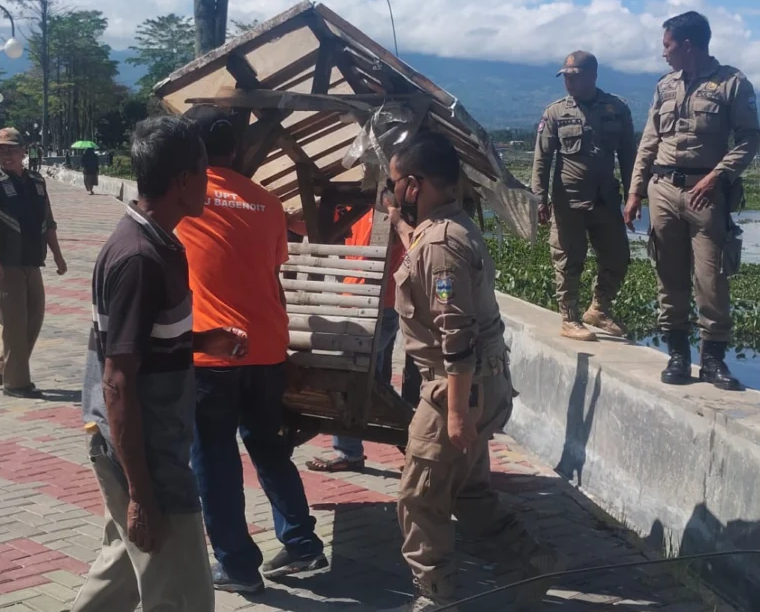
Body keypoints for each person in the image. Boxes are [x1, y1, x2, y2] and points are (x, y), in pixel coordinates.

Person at [74, 116, 248, 612]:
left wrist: (201, 340)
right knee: (185, 597)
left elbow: (142, 344)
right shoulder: (139, 258)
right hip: (146, 457)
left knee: (123, 573)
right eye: (204, 171)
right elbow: (117, 380)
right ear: (184, 182)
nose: (210, 182)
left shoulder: (158, 244)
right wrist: (142, 495)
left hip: (140, 447)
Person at [386, 131, 555, 611]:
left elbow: (454, 335)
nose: (392, 189)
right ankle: (532, 561)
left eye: (396, 181)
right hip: (484, 384)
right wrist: (402, 227)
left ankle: (435, 596)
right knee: (469, 490)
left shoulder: (439, 245)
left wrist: (456, 414)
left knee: (420, 498)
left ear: (415, 185)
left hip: (454, 391)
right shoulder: (450, 227)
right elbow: (428, 257)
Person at [176, 105, 328, 593]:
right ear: (237, 149)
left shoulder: (187, 199)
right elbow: (271, 271)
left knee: (215, 460)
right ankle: (302, 544)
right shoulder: (269, 203)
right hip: (267, 349)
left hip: (213, 355)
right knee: (268, 447)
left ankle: (238, 566)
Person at [623, 11, 760, 390]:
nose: (663, 52)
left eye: (667, 44)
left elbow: (750, 137)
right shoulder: (665, 86)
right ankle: (678, 355)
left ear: (687, 45)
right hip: (663, 189)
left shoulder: (731, 83)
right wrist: (635, 191)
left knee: (711, 278)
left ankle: (713, 360)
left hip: (707, 192)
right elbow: (649, 142)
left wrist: (719, 174)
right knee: (669, 275)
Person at [307, 209, 421, 473]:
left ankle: (418, 443)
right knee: (371, 382)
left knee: (355, 374)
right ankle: (357, 451)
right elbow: (318, 225)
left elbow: (416, 245)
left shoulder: (394, 210)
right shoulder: (352, 207)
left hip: (383, 308)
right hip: (354, 303)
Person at [533, 51, 635, 341]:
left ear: (593, 76)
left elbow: (629, 156)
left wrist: (634, 195)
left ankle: (599, 309)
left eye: (574, 76)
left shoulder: (616, 109)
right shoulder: (556, 113)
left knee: (617, 258)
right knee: (568, 260)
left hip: (606, 200)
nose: (568, 82)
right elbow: (542, 160)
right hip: (569, 201)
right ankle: (570, 318)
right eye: (565, 76)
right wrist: (539, 199)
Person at [0, 127, 68, 398]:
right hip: (6, 265)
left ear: (23, 151)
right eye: (1, 150)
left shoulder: (37, 183)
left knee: (34, 320)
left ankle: (4, 368)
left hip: (31, 262)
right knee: (15, 325)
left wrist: (58, 256)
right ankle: (16, 384)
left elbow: (48, 222)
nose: (6, 155)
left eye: (11, 149)